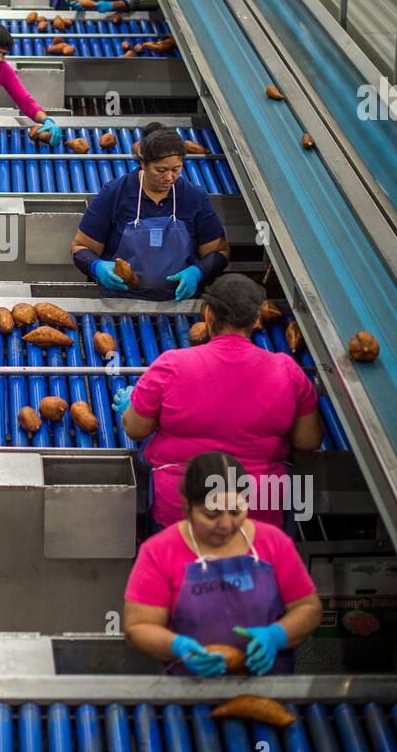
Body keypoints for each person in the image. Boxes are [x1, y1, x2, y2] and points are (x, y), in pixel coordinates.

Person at [112, 273, 323, 533]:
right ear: (257, 319)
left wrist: (131, 407)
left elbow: (135, 429)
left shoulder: (171, 366)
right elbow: (308, 441)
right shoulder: (288, 370)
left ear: (207, 314)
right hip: (257, 511)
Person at [124, 452, 322, 676]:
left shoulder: (273, 542)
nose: (226, 525)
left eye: (236, 511)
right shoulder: (160, 551)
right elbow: (138, 628)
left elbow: (308, 609)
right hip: (189, 690)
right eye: (211, 514)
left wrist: (277, 635)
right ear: (187, 505)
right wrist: (176, 646)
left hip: (269, 686)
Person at [70, 121, 230, 302]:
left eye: (176, 169)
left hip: (181, 305)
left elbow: (220, 252)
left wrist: (197, 272)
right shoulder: (115, 194)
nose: (169, 178)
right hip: (121, 304)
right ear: (143, 163)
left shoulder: (193, 197)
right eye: (160, 170)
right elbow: (80, 247)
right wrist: (96, 267)